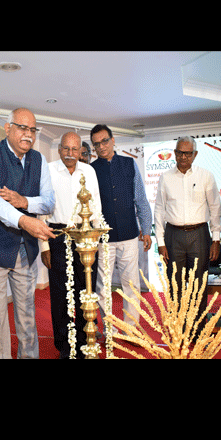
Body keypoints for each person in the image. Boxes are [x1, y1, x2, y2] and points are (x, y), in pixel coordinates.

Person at [0, 108, 56, 359]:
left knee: (27, 315)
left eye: (33, 130)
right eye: (22, 128)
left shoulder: (39, 160)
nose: (29, 134)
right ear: (7, 128)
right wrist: (25, 220)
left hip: (25, 251)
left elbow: (49, 202)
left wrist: (24, 201)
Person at [40, 131, 102, 358]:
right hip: (57, 236)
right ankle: (65, 347)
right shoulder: (47, 170)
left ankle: (86, 341)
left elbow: (96, 206)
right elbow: (41, 210)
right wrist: (44, 246)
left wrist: (95, 240)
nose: (70, 153)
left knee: (86, 291)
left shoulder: (89, 171)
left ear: (81, 152)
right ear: (59, 149)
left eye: (75, 149)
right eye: (66, 148)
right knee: (60, 295)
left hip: (85, 237)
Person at [154, 136, 221, 335]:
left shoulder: (206, 176)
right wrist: (160, 242)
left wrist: (216, 238)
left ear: (195, 154)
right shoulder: (166, 177)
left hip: (199, 235)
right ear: (174, 153)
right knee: (175, 284)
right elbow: (159, 209)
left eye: (188, 153)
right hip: (173, 236)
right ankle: (178, 330)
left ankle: (197, 331)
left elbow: (215, 208)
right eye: (179, 153)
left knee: (198, 285)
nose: (183, 157)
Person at [90, 124, 152, 331]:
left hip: (129, 235)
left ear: (113, 140)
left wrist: (146, 229)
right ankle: (110, 329)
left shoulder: (129, 164)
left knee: (131, 285)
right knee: (102, 287)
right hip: (103, 238)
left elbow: (141, 199)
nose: (101, 147)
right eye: (96, 144)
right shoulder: (91, 170)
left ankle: (131, 328)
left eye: (104, 141)